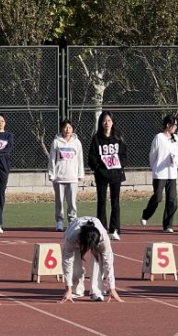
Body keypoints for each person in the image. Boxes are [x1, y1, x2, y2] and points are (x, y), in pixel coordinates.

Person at [59, 216, 123, 303]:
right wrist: (68, 289)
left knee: (98, 257)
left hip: (96, 235)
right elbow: (67, 262)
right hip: (75, 233)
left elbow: (108, 262)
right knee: (75, 267)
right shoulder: (72, 237)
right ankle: (75, 290)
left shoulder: (103, 237)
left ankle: (97, 291)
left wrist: (112, 288)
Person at [88, 111, 126, 240]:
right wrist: (98, 168)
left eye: (109, 120)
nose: (107, 123)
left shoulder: (118, 138)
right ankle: (101, 229)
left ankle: (115, 229)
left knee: (115, 203)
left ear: (113, 122)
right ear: (100, 123)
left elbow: (124, 155)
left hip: (116, 175)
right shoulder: (96, 138)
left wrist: (120, 166)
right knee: (101, 202)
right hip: (102, 175)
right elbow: (91, 157)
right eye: (104, 121)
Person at [141, 114, 178, 233]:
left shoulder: (176, 138)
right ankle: (146, 214)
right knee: (158, 197)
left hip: (172, 174)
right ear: (168, 125)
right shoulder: (158, 137)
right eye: (174, 125)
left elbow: (177, 153)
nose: (176, 127)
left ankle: (168, 225)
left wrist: (174, 162)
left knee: (172, 201)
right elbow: (152, 155)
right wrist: (155, 168)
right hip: (160, 173)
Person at [49, 119, 85, 232]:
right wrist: (51, 174)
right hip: (59, 178)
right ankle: (59, 221)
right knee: (59, 201)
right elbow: (52, 159)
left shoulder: (77, 142)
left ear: (72, 129)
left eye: (69, 127)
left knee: (72, 202)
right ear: (61, 129)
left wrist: (80, 174)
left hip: (72, 178)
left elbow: (80, 159)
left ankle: (72, 221)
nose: (67, 129)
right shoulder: (56, 142)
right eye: (65, 127)